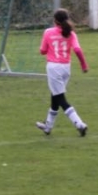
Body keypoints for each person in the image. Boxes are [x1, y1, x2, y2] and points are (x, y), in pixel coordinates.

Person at [35, 8, 89, 136]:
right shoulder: (71, 33)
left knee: (60, 99)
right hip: (66, 68)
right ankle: (48, 126)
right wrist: (83, 65)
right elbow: (77, 50)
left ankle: (79, 124)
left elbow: (43, 51)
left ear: (55, 20)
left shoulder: (48, 32)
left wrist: (44, 49)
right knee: (55, 96)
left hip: (54, 68)